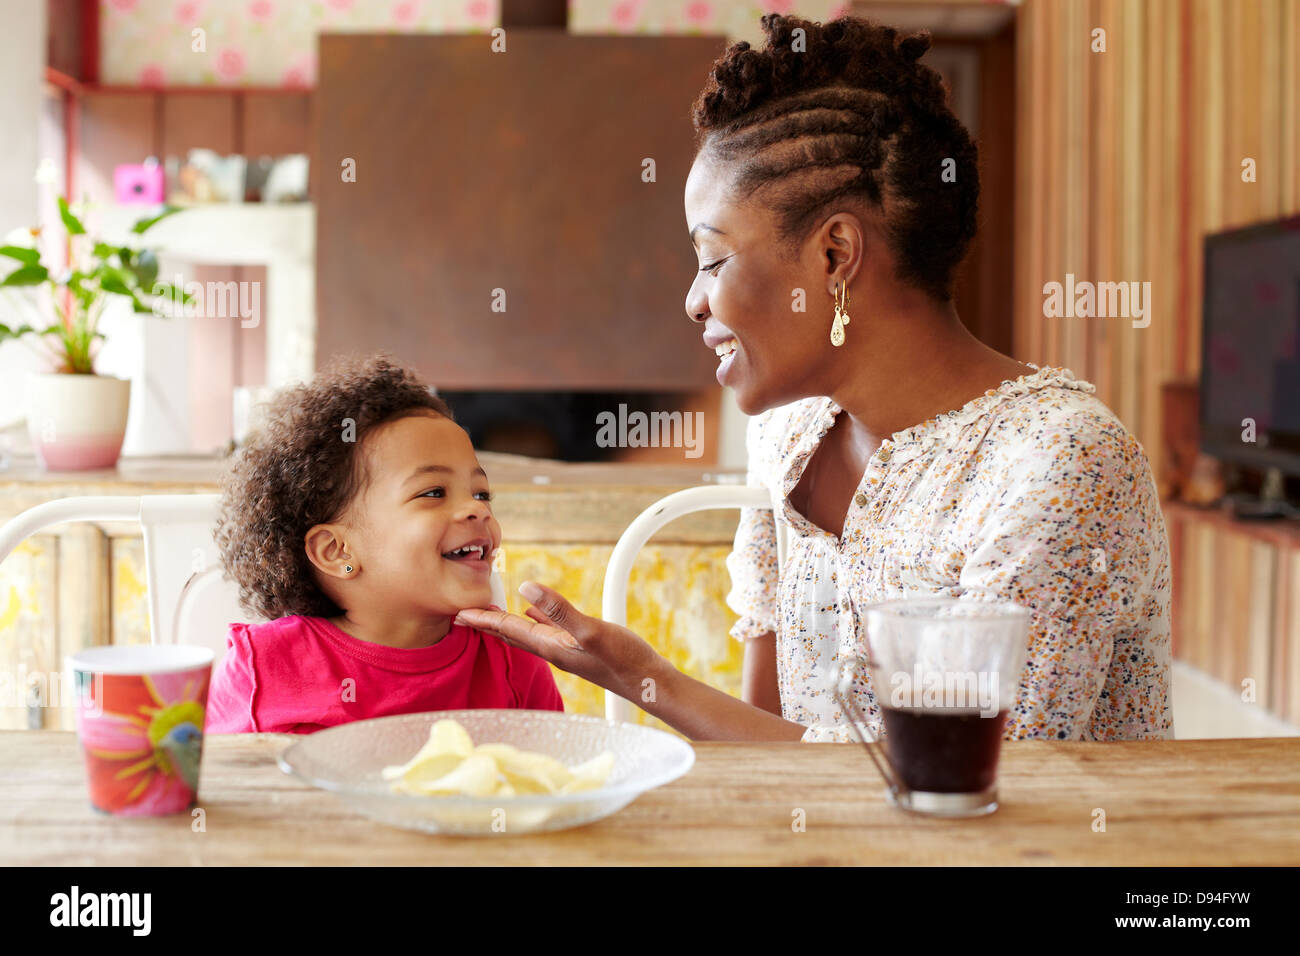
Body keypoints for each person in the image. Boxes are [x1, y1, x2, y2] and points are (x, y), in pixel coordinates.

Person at [457, 14, 1172, 743]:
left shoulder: (1062, 463)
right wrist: (636, 677)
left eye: (711, 259)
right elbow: (772, 747)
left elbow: (971, 796)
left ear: (834, 254)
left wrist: (652, 682)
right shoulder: (788, 432)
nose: (693, 300)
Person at [205, 355, 563, 734]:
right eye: (433, 492)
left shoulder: (514, 663)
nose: (476, 509)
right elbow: (218, 783)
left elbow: (558, 781)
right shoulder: (262, 669)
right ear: (336, 551)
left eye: (482, 493)